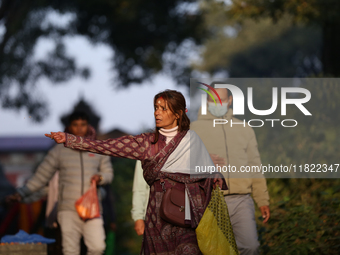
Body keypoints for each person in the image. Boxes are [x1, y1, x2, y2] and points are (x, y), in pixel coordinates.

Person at [46, 90, 225, 255]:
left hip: (187, 214)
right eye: (156, 108)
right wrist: (69, 139)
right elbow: (105, 146)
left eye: (163, 109)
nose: (157, 112)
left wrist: (215, 176)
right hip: (157, 215)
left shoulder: (191, 140)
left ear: (178, 114)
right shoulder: (146, 142)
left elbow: (208, 173)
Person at [8, 111, 114, 255]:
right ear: (69, 127)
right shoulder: (59, 151)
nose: (79, 129)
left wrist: (100, 177)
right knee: (70, 250)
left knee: (97, 247)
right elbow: (41, 177)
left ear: (88, 126)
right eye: (75, 125)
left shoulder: (99, 150)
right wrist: (21, 193)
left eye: (83, 125)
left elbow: (108, 174)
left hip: (92, 208)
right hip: (68, 208)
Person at [191, 86, 270, 255]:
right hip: (209, 201)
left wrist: (262, 199)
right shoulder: (193, 130)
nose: (217, 104)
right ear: (207, 102)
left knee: (251, 247)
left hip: (241, 200)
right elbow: (182, 164)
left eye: (221, 100)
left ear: (229, 101)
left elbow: (255, 165)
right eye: (213, 100)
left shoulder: (244, 128)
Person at [131, 160, 149, 236]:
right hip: (152, 215)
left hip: (181, 213)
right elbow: (139, 188)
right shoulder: (146, 151)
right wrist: (138, 217)